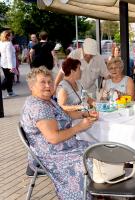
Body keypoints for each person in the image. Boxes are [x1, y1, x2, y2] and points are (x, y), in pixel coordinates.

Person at [21, 66, 98, 200]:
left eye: (50, 82)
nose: (48, 85)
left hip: (63, 147)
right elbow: (54, 138)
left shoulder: (46, 101)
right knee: (91, 160)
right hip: (52, 154)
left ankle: (93, 191)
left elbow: (63, 114)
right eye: (43, 82)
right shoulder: (39, 107)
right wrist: (79, 127)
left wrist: (84, 113)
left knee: (97, 149)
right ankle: (83, 195)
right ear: (31, 86)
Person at [0, 30, 17, 97]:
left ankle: (10, 92)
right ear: (7, 36)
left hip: (4, 63)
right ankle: (4, 89)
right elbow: (9, 55)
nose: (12, 36)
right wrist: (11, 67)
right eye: (11, 35)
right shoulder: (8, 43)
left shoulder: (1, 42)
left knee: (8, 78)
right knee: (8, 79)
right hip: (9, 64)